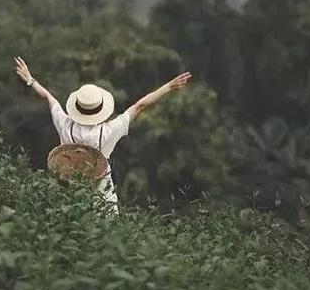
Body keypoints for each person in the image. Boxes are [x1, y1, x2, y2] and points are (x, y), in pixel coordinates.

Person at [14, 56, 192, 214]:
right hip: (102, 192)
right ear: (100, 109)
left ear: (77, 107)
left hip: (70, 186)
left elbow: (49, 97)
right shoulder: (108, 131)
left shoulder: (65, 124)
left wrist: (30, 79)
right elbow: (140, 105)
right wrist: (169, 86)